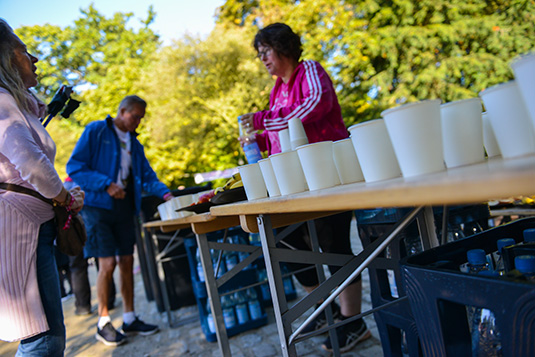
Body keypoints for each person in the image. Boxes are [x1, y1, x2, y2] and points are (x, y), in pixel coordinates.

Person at [240, 23, 371, 353]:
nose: (263, 59)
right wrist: (256, 139)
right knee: (289, 243)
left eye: (266, 51)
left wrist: (265, 121)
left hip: (327, 171)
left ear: (283, 47)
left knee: (334, 245)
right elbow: (277, 136)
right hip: (294, 182)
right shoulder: (276, 91)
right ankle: (324, 313)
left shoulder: (308, 70)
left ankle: (353, 323)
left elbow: (317, 104)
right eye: (260, 54)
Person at [0, 18, 84, 356]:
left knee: (44, 335)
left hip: (28, 224)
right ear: (5, 58)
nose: (34, 59)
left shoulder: (13, 103)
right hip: (23, 226)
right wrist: (65, 198)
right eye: (25, 52)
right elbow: (31, 163)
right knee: (43, 338)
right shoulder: (2, 102)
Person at [66, 95, 173, 346]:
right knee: (107, 264)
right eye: (135, 116)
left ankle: (130, 317)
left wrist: (166, 193)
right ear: (121, 111)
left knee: (126, 260)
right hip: (97, 207)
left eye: (141, 118)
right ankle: (103, 323)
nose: (138, 122)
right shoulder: (96, 130)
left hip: (125, 207)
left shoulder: (135, 145)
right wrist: (105, 184)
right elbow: (75, 167)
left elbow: (147, 176)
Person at [63, 177, 117, 316]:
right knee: (102, 260)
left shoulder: (63, 186)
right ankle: (109, 300)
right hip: (92, 223)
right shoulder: (89, 181)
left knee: (77, 267)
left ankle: (82, 306)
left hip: (74, 229)